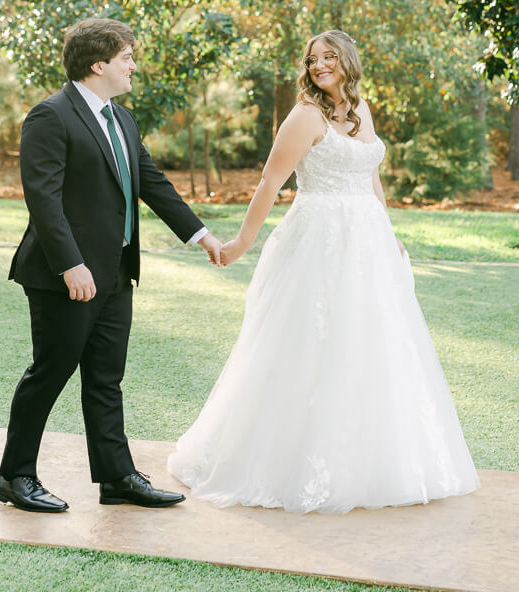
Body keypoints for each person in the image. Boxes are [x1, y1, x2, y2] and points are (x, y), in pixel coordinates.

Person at [167, 29, 480, 513]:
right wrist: (241, 243)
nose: (319, 66)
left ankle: (375, 460)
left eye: (329, 57)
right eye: (313, 59)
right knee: (312, 341)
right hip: (319, 238)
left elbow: (370, 177)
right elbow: (272, 179)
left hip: (367, 242)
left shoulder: (359, 110)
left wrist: (389, 234)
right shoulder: (305, 115)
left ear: (348, 61)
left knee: (371, 344)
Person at [0, 17, 222, 513]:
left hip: (117, 273)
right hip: (66, 277)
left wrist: (200, 235)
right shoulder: (50, 116)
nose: (133, 65)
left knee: (105, 377)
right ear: (99, 64)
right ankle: (14, 477)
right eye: (126, 57)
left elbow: (152, 181)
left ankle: (118, 478)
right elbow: (44, 200)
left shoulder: (122, 119)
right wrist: (70, 265)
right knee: (50, 372)